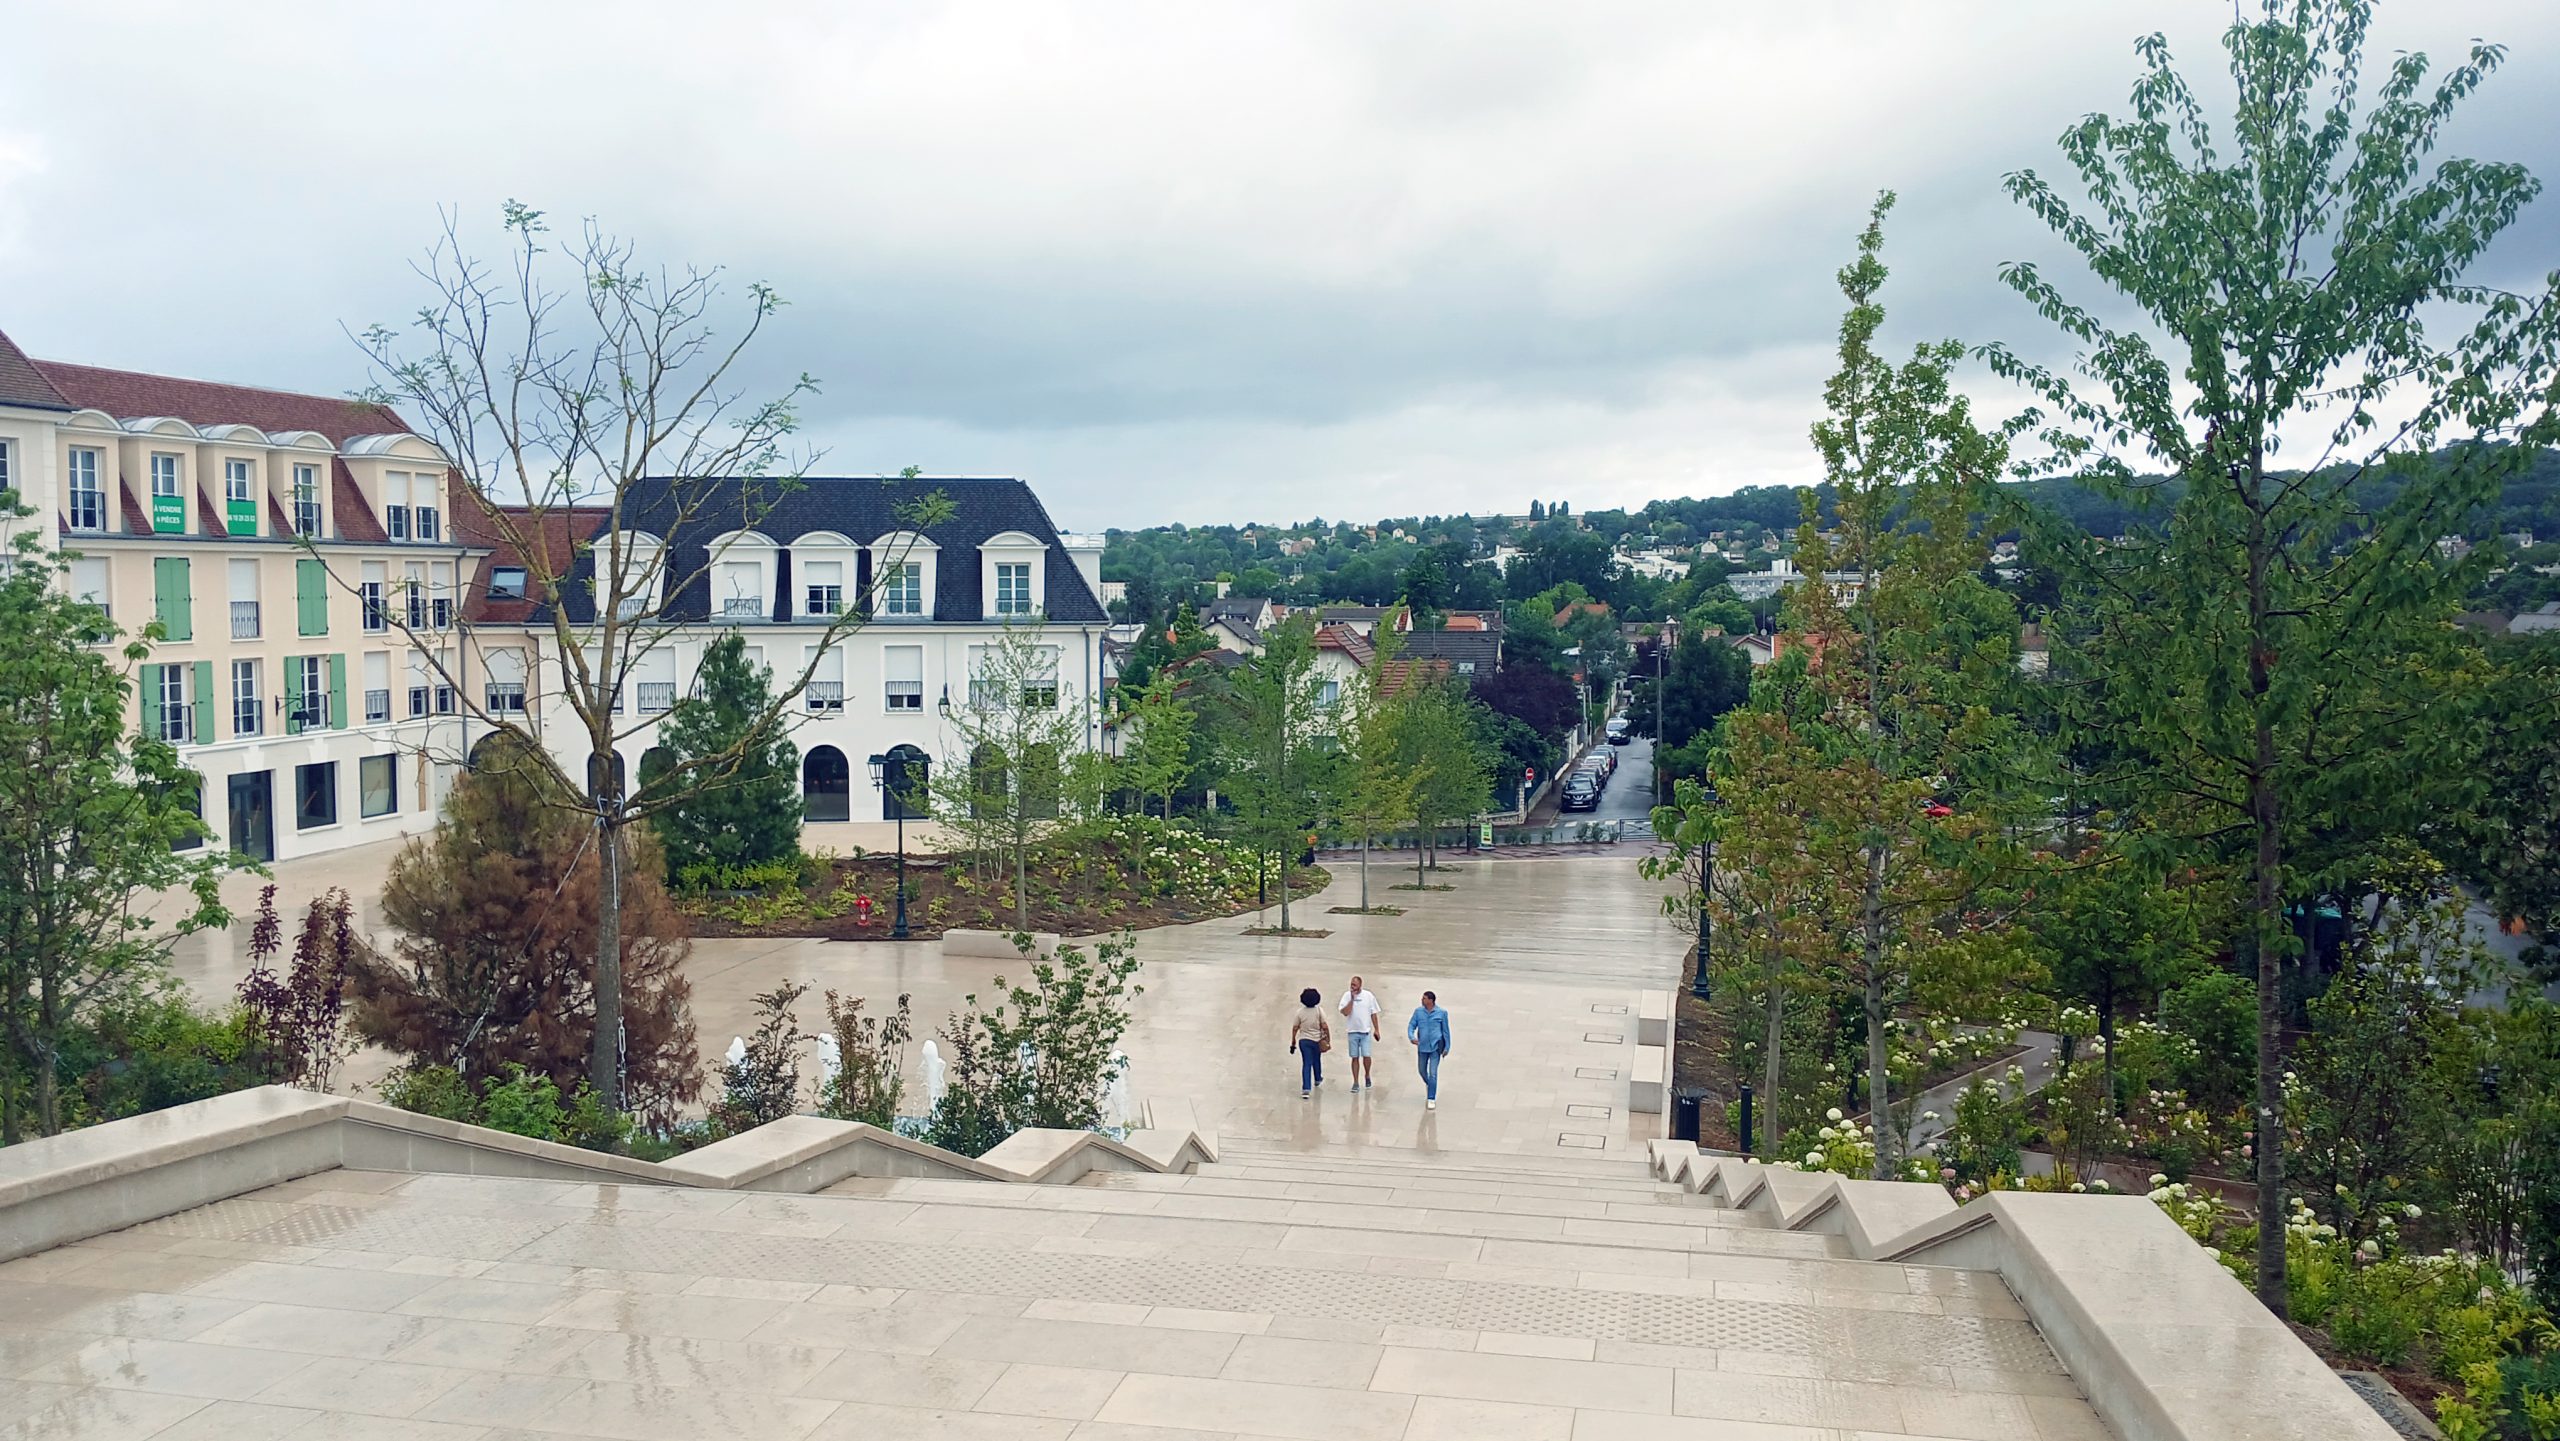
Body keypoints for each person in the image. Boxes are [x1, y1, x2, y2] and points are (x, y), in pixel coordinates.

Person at [1407, 991, 1451, 1110]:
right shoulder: (1418, 1012)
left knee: (1433, 1073)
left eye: (1425, 998)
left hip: (1435, 1048)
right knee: (1422, 1070)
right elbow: (1411, 1026)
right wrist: (1412, 1037)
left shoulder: (1441, 1013)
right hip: (1422, 1047)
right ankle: (1430, 1085)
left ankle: (1431, 1097)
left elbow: (1446, 1031)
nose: (1422, 1000)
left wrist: (1447, 1047)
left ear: (1431, 1000)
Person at [1338, 975, 1382, 1090]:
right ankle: (1356, 1081)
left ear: (1360, 985)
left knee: (1366, 1055)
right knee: (1355, 1057)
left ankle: (1367, 1074)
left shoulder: (1368, 996)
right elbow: (1345, 1012)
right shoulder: (1346, 996)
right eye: (1351, 984)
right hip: (1352, 1031)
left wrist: (1377, 1029)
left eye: (1355, 985)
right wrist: (1352, 1000)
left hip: (1365, 1031)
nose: (1353, 987)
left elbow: (1373, 1013)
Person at [1288, 987, 1331, 1099]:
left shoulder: (1300, 1012)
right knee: (1316, 1059)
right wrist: (1328, 1039)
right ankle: (1317, 1078)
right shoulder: (1319, 1011)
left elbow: (1295, 1028)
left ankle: (1306, 1088)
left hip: (1304, 1041)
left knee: (1306, 1063)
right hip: (1316, 1040)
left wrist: (1293, 1041)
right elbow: (1325, 1026)